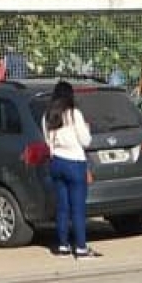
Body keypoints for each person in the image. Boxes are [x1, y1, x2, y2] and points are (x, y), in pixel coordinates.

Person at [43, 80, 98, 258]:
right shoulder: (74, 114)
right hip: (74, 162)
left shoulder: (48, 116)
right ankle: (81, 247)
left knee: (62, 206)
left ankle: (63, 245)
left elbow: (46, 140)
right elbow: (85, 140)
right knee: (78, 207)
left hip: (56, 161)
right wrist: (87, 130)